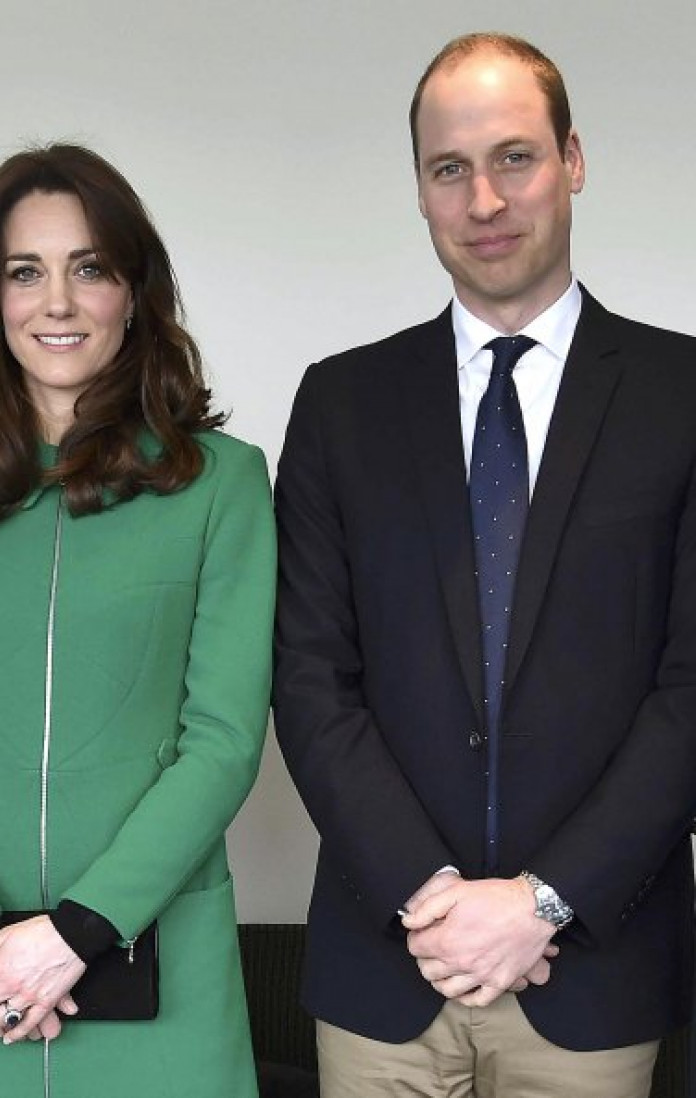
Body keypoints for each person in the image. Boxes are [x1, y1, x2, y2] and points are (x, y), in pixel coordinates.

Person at [273, 32, 696, 1098]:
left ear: (573, 160)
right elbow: (310, 680)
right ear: (418, 191)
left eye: (514, 157)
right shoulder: (340, 405)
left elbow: (690, 692)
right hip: (386, 970)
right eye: (447, 169)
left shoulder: (679, 394)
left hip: (590, 974)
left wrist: (541, 903)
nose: (483, 200)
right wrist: (431, 901)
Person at [0, 143, 276, 1098]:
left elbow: (223, 740)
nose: (56, 303)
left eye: (89, 269)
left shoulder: (222, 483)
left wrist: (80, 929)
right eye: (26, 272)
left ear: (133, 290)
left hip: (162, 961)